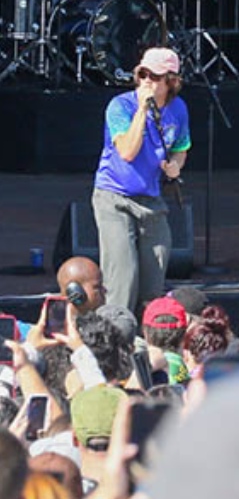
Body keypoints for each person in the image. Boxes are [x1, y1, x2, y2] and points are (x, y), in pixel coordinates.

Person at [91, 48, 190, 314]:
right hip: (114, 197)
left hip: (150, 198)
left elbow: (182, 146)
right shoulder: (120, 106)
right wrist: (142, 112)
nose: (147, 80)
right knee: (122, 276)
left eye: (155, 76)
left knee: (153, 278)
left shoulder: (178, 109)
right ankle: (116, 335)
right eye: (142, 74)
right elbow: (127, 151)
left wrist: (175, 167)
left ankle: (149, 341)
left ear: (171, 81)